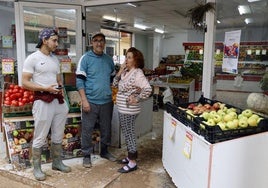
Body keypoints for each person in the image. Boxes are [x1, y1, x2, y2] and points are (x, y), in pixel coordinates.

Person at [21, 28, 71, 181]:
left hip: (58, 100)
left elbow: (57, 79)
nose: (57, 43)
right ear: (45, 40)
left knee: (58, 133)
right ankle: (37, 168)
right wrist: (45, 88)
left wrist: (59, 86)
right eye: (54, 40)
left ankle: (57, 162)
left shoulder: (55, 59)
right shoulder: (32, 59)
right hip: (42, 101)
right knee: (40, 135)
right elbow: (24, 82)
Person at [76, 32, 116, 168]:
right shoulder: (85, 58)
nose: (99, 43)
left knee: (106, 129)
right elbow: (79, 82)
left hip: (106, 101)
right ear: (92, 43)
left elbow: (112, 79)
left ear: (105, 43)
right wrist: (84, 100)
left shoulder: (109, 60)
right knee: (87, 129)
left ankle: (104, 151)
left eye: (101, 41)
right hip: (90, 101)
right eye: (96, 41)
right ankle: (86, 155)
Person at [112, 47, 152, 173]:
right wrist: (119, 72)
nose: (126, 60)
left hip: (129, 110)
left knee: (129, 134)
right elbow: (114, 85)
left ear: (136, 60)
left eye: (129, 57)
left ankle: (133, 162)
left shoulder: (137, 73)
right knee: (127, 132)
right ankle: (130, 157)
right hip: (123, 109)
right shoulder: (125, 72)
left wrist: (137, 99)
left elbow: (148, 89)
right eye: (126, 57)